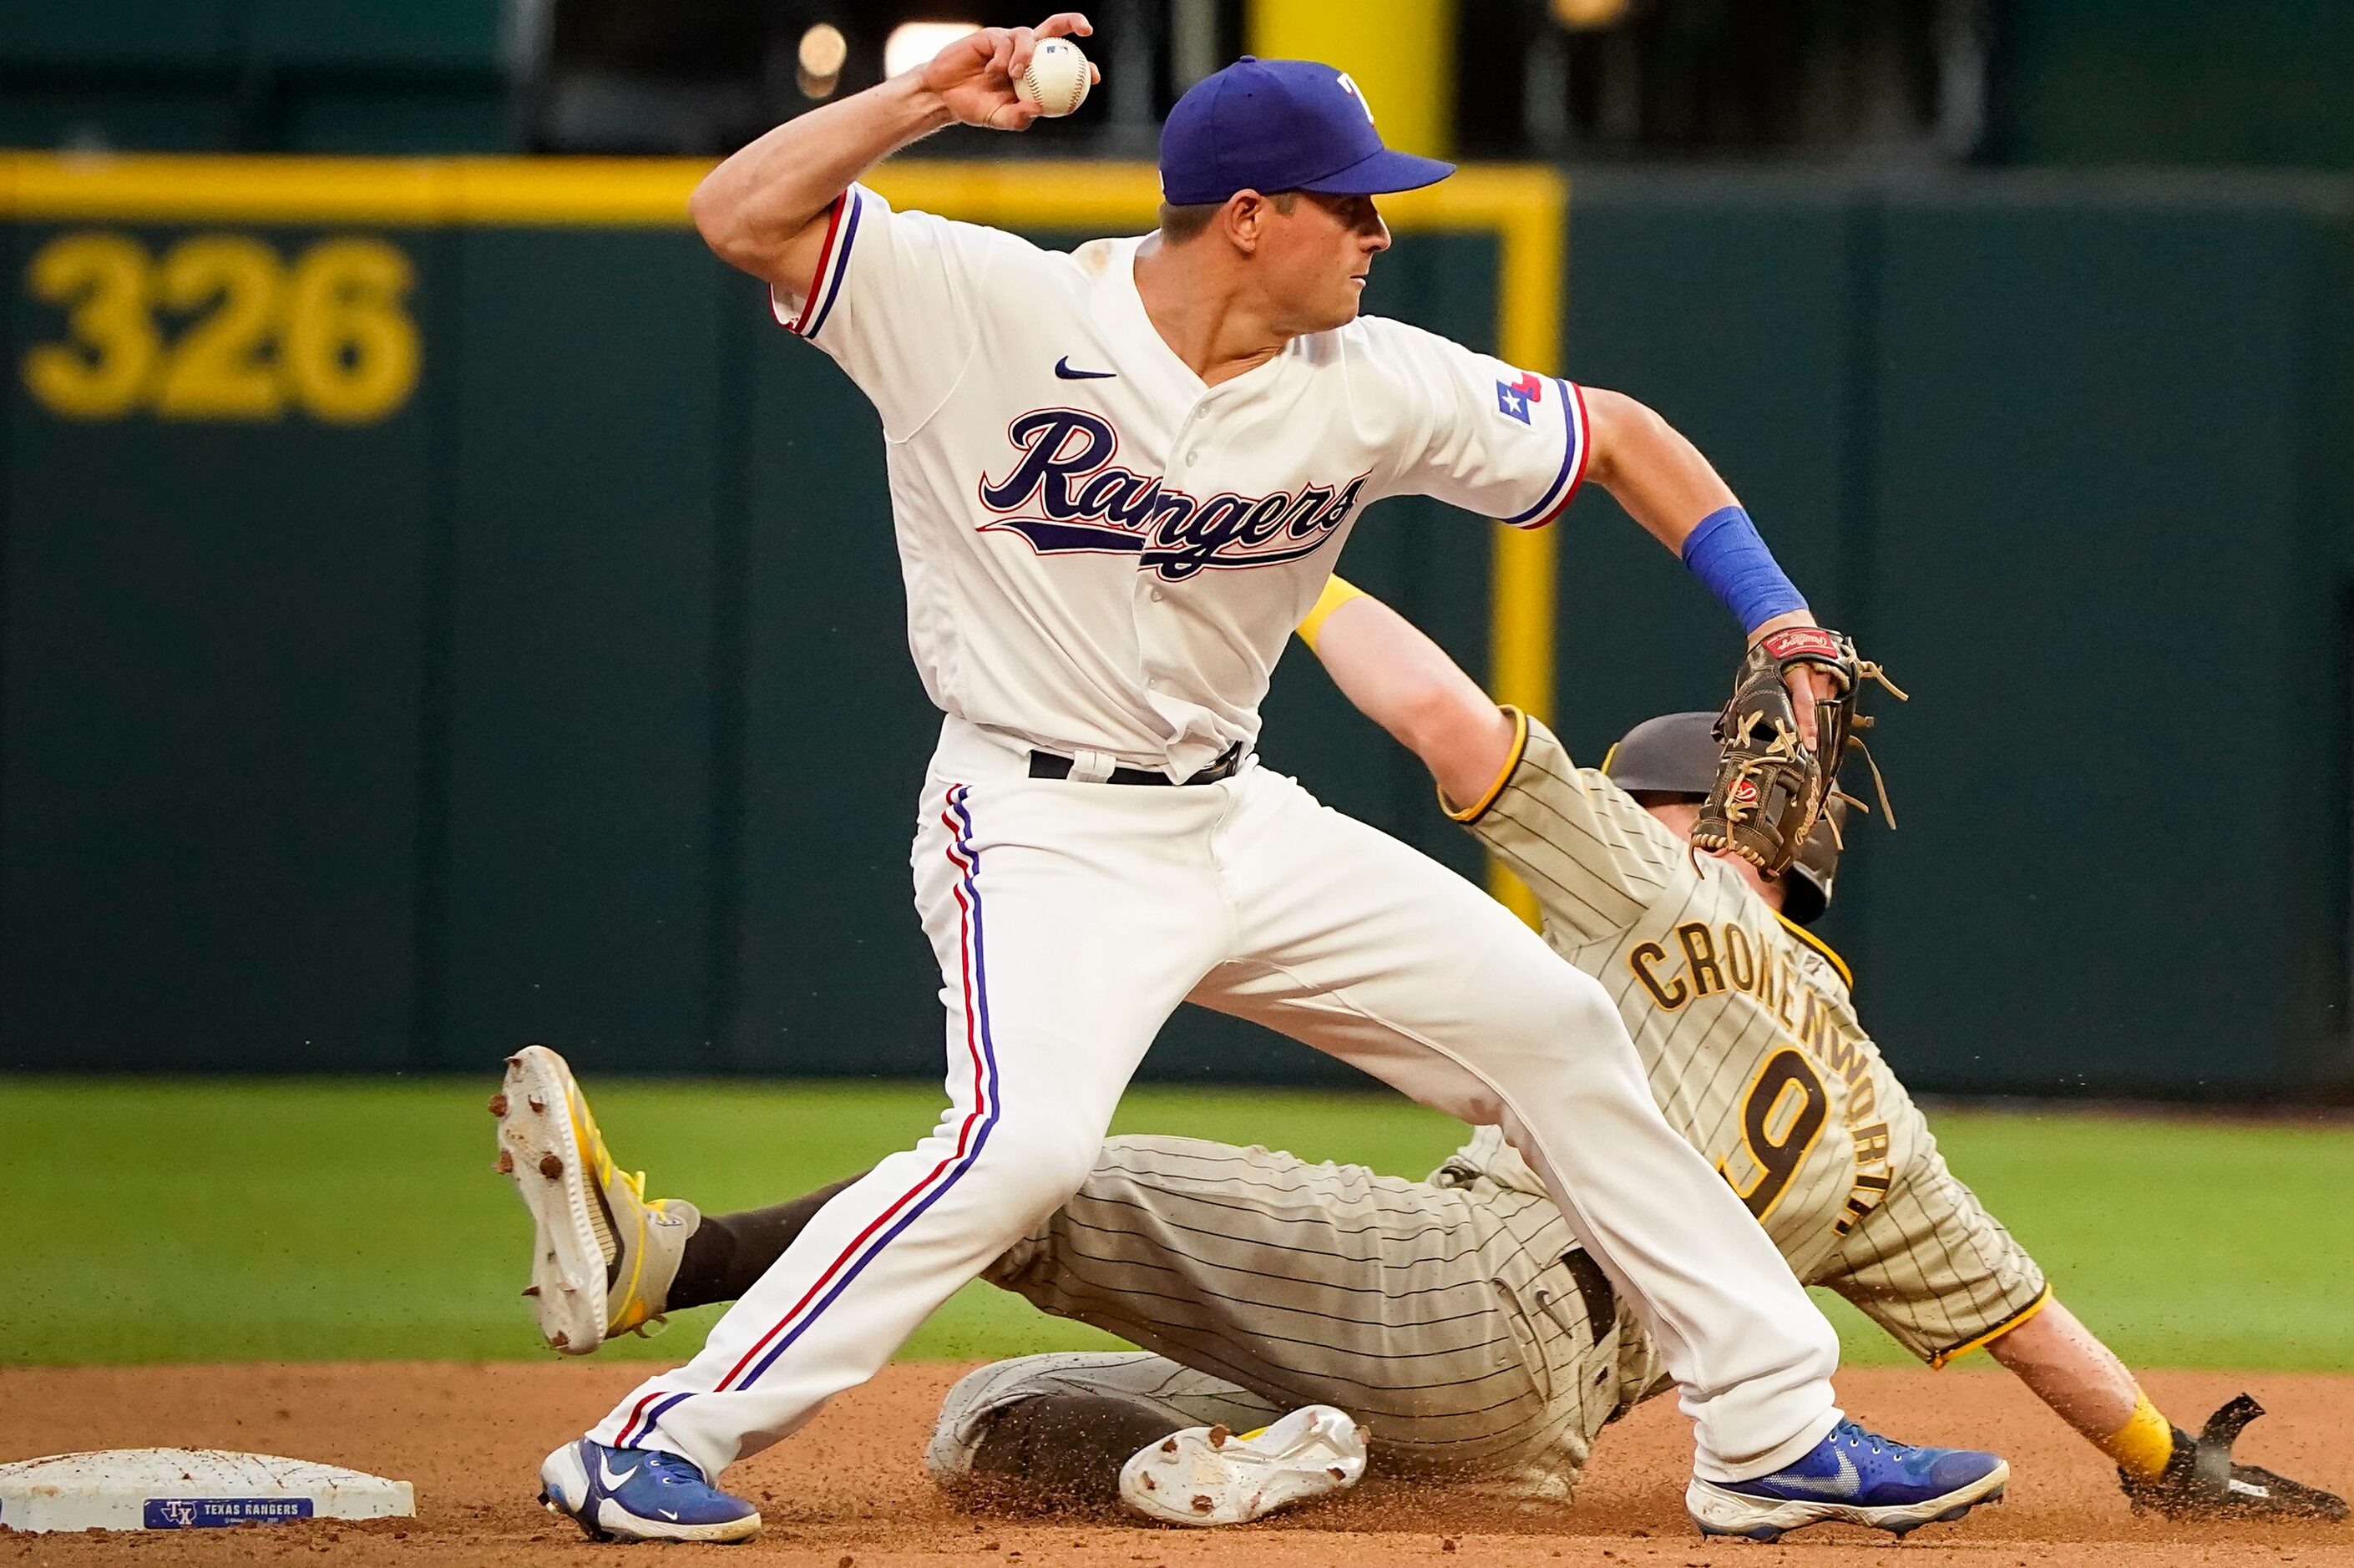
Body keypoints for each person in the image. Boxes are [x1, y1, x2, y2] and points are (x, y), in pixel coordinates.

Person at [497, 17, 1999, 1545]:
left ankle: (1767, 1431)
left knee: (1558, 1023)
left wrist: (1779, 610)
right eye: (1350, 202)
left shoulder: (1367, 379)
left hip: (1236, 813)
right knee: (1023, 1150)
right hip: (1038, 825)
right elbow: (734, 215)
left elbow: (1615, 439)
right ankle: (655, 1434)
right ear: (1249, 218)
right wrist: (920, 102)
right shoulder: (987, 303)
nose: (1379, 228)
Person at [501, 579, 2344, 1537]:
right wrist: (2166, 1455)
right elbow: (2028, 1321)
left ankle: (658, 1260)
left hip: (1471, 1288)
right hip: (1526, 1445)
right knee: (998, 1438)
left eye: (1654, 798)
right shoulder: (1873, 1106)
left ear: (1691, 812)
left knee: (1058, 1168)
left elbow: (1447, 718)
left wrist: (1278, 567)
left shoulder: (1645, 878)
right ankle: (1274, 1468)